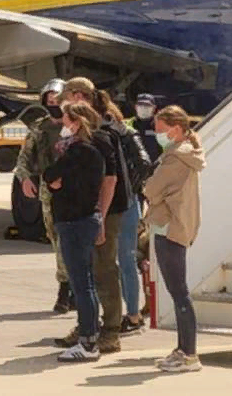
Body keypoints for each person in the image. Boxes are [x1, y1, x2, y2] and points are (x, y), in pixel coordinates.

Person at [56, 77, 137, 353]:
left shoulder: (101, 132)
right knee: (85, 271)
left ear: (79, 97)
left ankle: (111, 330)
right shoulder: (85, 130)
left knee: (104, 269)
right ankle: (87, 326)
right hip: (86, 210)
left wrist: (100, 217)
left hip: (107, 209)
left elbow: (110, 180)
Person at [43, 101, 108, 362]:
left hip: (73, 221)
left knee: (81, 284)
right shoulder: (93, 151)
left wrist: (56, 183)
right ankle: (90, 336)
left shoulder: (77, 152)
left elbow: (50, 175)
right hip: (86, 219)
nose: (63, 124)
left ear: (78, 122)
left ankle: (88, 341)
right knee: (86, 282)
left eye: (67, 120)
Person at [143, 105, 205, 372]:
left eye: (161, 129)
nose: (158, 135)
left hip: (169, 228)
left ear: (176, 129)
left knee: (179, 292)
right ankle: (183, 350)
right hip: (176, 226)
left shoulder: (175, 158)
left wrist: (150, 191)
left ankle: (189, 354)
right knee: (178, 291)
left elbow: (151, 189)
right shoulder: (186, 154)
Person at [14, 78, 73, 313]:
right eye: (49, 101)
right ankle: (65, 287)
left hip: (77, 190)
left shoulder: (78, 126)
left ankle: (74, 289)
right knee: (56, 238)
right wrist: (25, 179)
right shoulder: (39, 129)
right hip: (49, 191)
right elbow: (24, 160)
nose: (54, 105)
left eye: (58, 100)